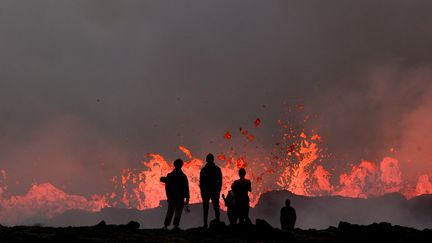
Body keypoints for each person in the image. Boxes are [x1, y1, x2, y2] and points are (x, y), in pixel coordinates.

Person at [162, 159, 190, 229]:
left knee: (170, 211)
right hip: (180, 197)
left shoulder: (170, 175)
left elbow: (167, 187)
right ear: (181, 165)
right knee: (178, 211)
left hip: (173, 197)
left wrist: (168, 196)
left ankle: (166, 226)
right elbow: (186, 188)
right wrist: (187, 198)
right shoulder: (183, 176)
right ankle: (175, 226)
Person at [199, 153, 222, 228]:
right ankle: (217, 221)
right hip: (213, 191)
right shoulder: (217, 169)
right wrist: (218, 190)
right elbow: (220, 181)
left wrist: (202, 192)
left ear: (206, 160)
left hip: (207, 192)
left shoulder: (204, 170)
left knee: (206, 208)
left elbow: (201, 183)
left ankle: (205, 224)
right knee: (216, 207)